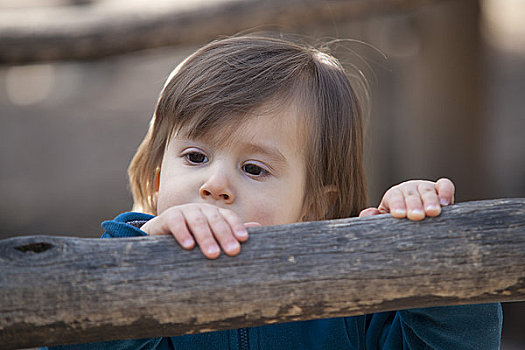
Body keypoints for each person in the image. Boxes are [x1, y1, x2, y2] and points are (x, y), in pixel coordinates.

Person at [46, 34, 501, 349]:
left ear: (313, 205)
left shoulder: (354, 290)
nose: (215, 185)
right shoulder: (121, 258)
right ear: (155, 176)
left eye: (253, 168)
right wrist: (141, 261)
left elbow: (458, 342)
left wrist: (423, 247)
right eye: (195, 157)